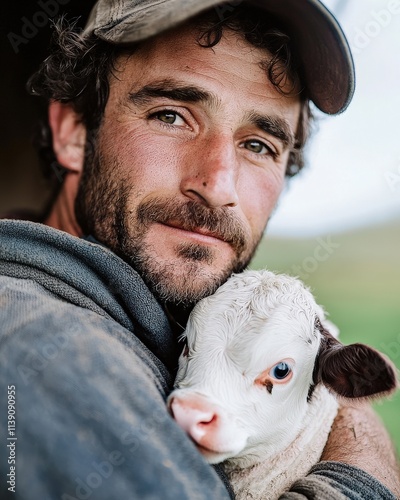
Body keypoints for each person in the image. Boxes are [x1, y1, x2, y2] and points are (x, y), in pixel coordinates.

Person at [0, 1, 399, 498]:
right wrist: (361, 470)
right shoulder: (45, 350)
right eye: (172, 115)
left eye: (259, 145)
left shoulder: (151, 328)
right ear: (74, 132)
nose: (217, 183)